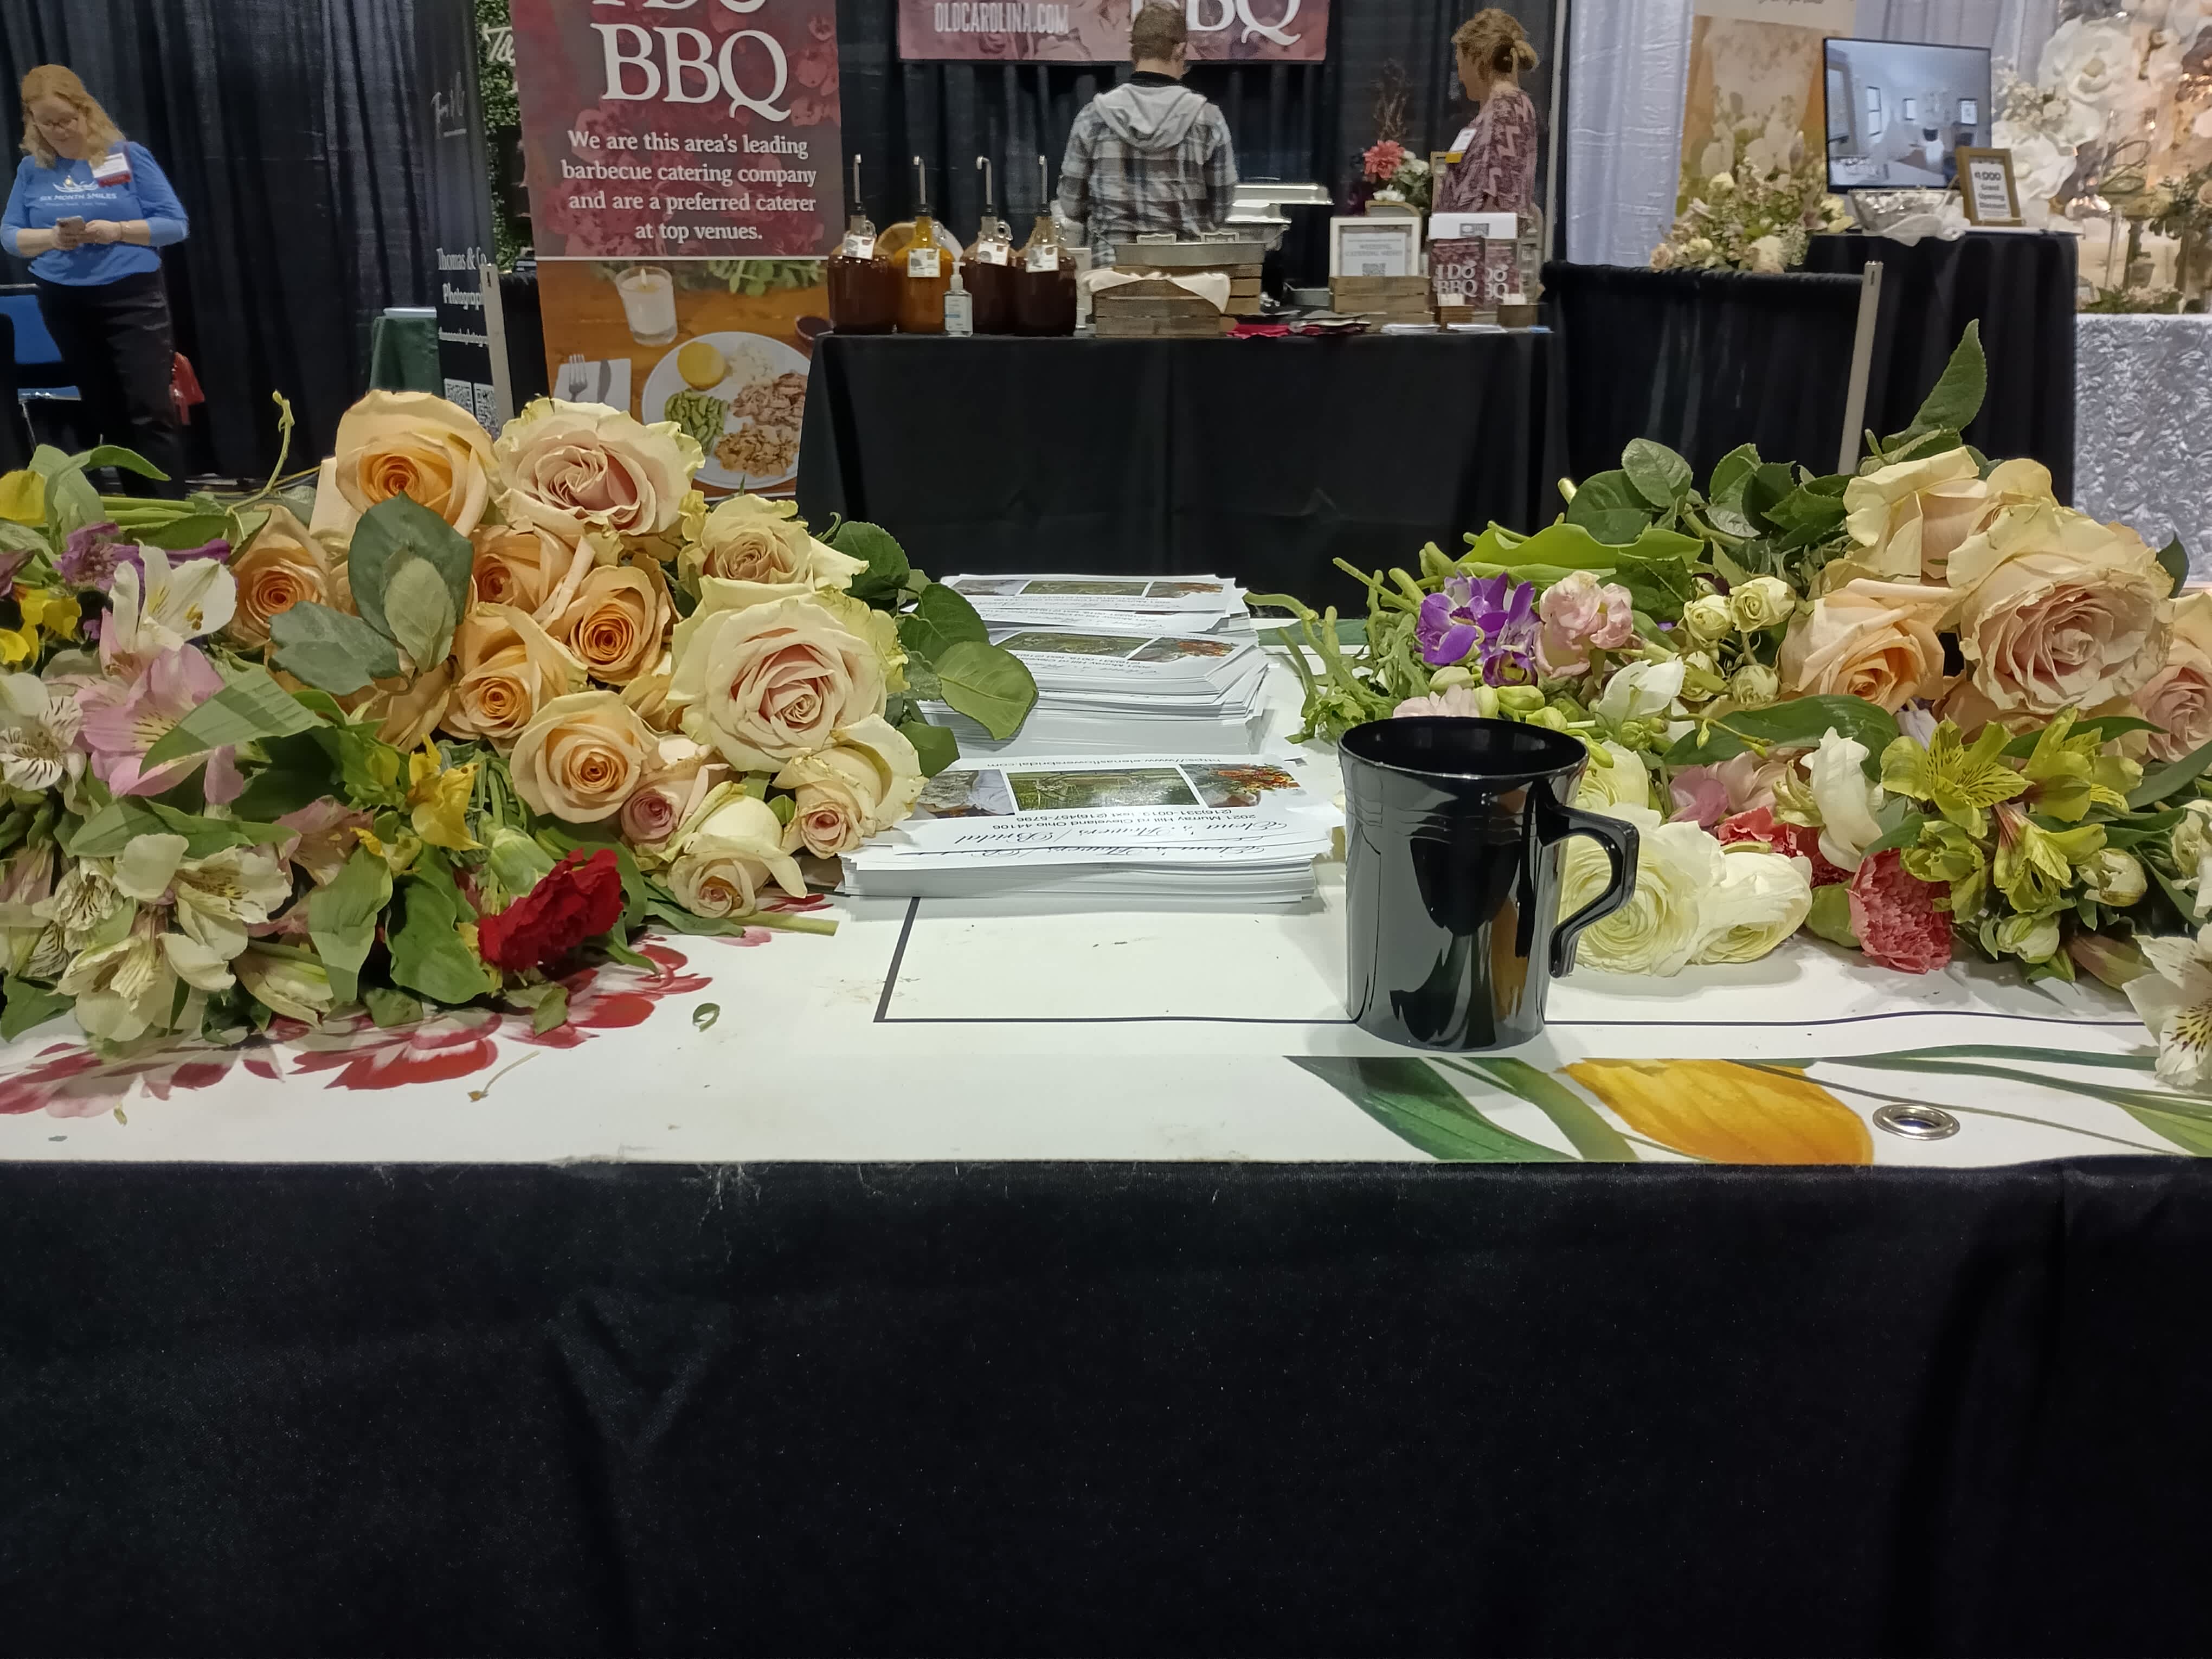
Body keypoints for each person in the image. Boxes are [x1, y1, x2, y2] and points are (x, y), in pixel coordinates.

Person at [2, 66, 189, 494]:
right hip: (64, 302)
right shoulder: (32, 169)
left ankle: (173, 512)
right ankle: (139, 510)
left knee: (150, 410)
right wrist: (52, 238)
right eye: (47, 123)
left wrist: (118, 230)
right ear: (33, 123)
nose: (60, 130)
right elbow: (10, 237)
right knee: (108, 411)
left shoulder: (125, 156)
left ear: (85, 111)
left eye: (67, 119)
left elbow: (175, 225)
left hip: (131, 297)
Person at [1056, 4, 1238, 256]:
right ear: (1180, 50)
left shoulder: (1093, 117)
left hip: (1110, 270)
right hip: (1185, 269)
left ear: (1134, 51)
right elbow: (1221, 210)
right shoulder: (1208, 119)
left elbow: (1071, 205)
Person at [1435, 9, 1540, 224]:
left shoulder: (1506, 110)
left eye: (1460, 64)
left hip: (1480, 243)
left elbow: (1500, 201)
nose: (1460, 76)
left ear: (1476, 60)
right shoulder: (1500, 108)